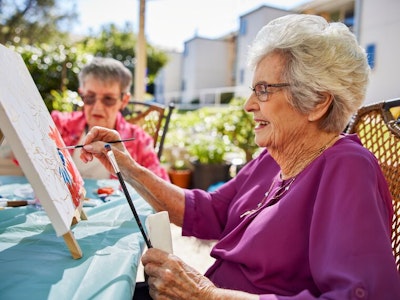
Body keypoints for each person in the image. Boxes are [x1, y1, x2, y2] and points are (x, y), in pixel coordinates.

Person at [79, 14, 400, 299]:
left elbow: (364, 295)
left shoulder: (348, 168)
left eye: (263, 90)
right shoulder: (275, 156)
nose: (248, 105)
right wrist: (127, 166)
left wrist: (207, 295)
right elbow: (208, 212)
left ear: (317, 101)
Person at [51, 57, 169, 181]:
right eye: (90, 97)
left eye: (108, 99)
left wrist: (131, 170)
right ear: (82, 94)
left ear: (124, 101)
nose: (97, 107)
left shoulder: (138, 140)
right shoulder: (59, 126)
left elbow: (162, 191)